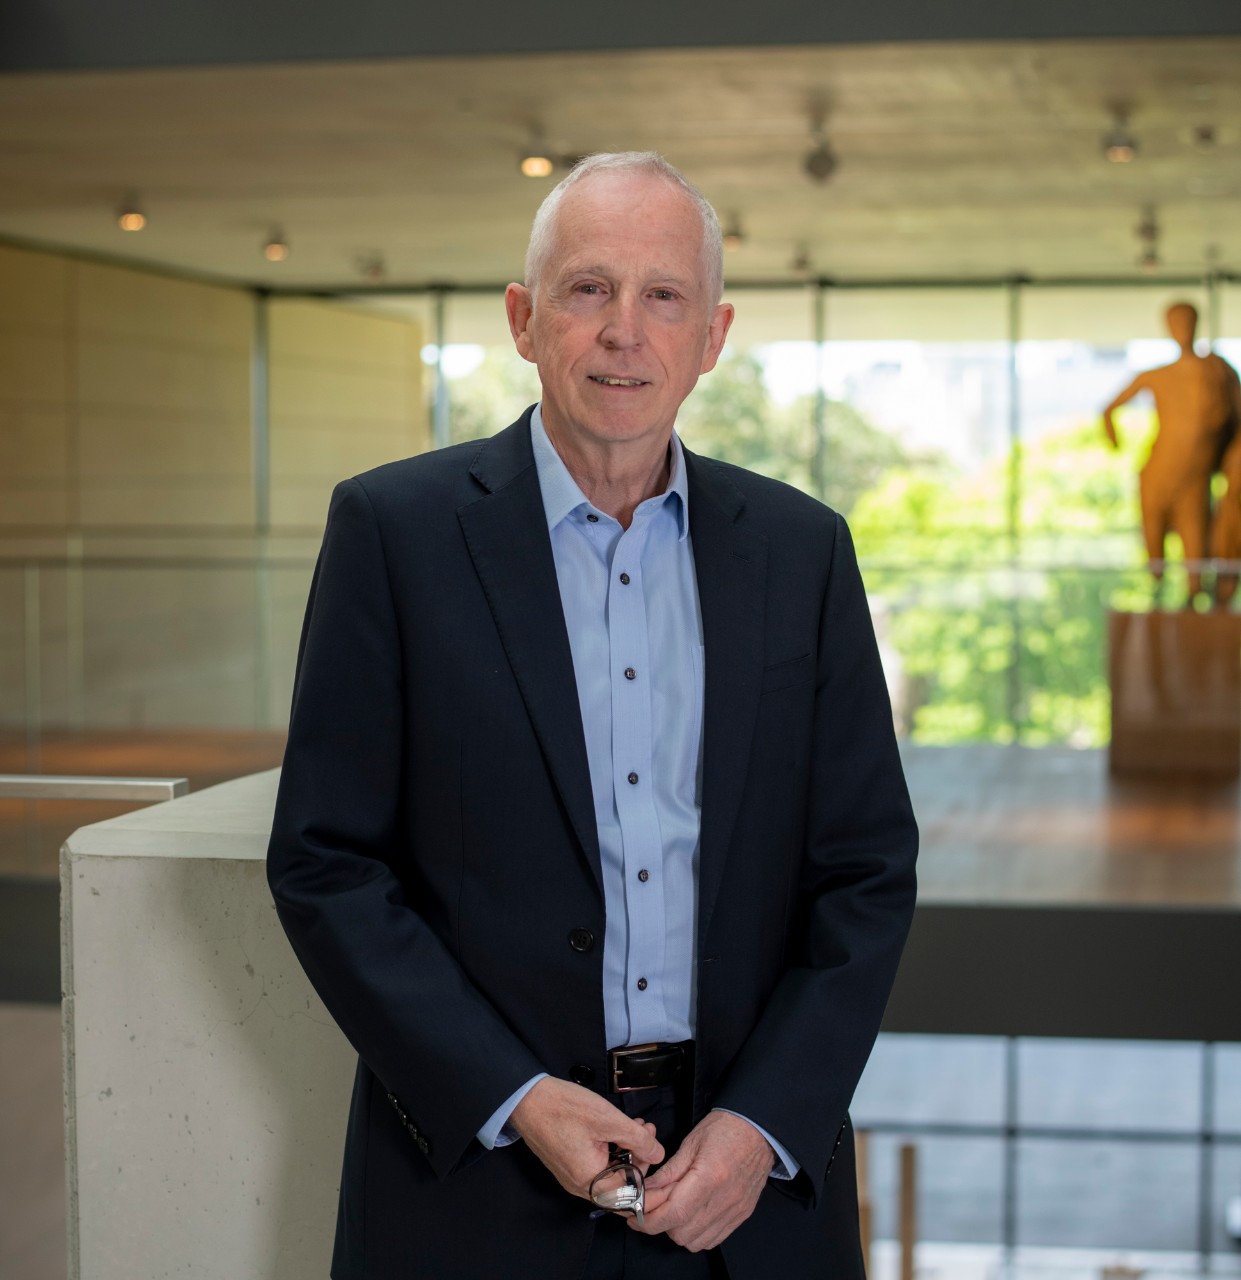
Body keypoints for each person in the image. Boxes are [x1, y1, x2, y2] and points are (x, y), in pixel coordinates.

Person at [267, 151, 918, 1279]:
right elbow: (326, 863)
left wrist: (764, 1123)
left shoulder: (802, 550)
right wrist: (511, 1096)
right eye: (587, 289)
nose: (626, 329)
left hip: (742, 1196)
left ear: (710, 336)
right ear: (524, 320)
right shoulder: (392, 534)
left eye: (662, 295)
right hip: (473, 1184)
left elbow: (862, 869)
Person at [1102, 301, 1241, 604]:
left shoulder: (1216, 370)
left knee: (1195, 546)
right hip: (1159, 471)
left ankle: (1193, 602)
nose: (1182, 330)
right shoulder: (1157, 375)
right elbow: (1109, 409)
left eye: (1187, 322)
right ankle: (1158, 600)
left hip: (1195, 476)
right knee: (1155, 543)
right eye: (1176, 323)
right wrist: (1115, 439)